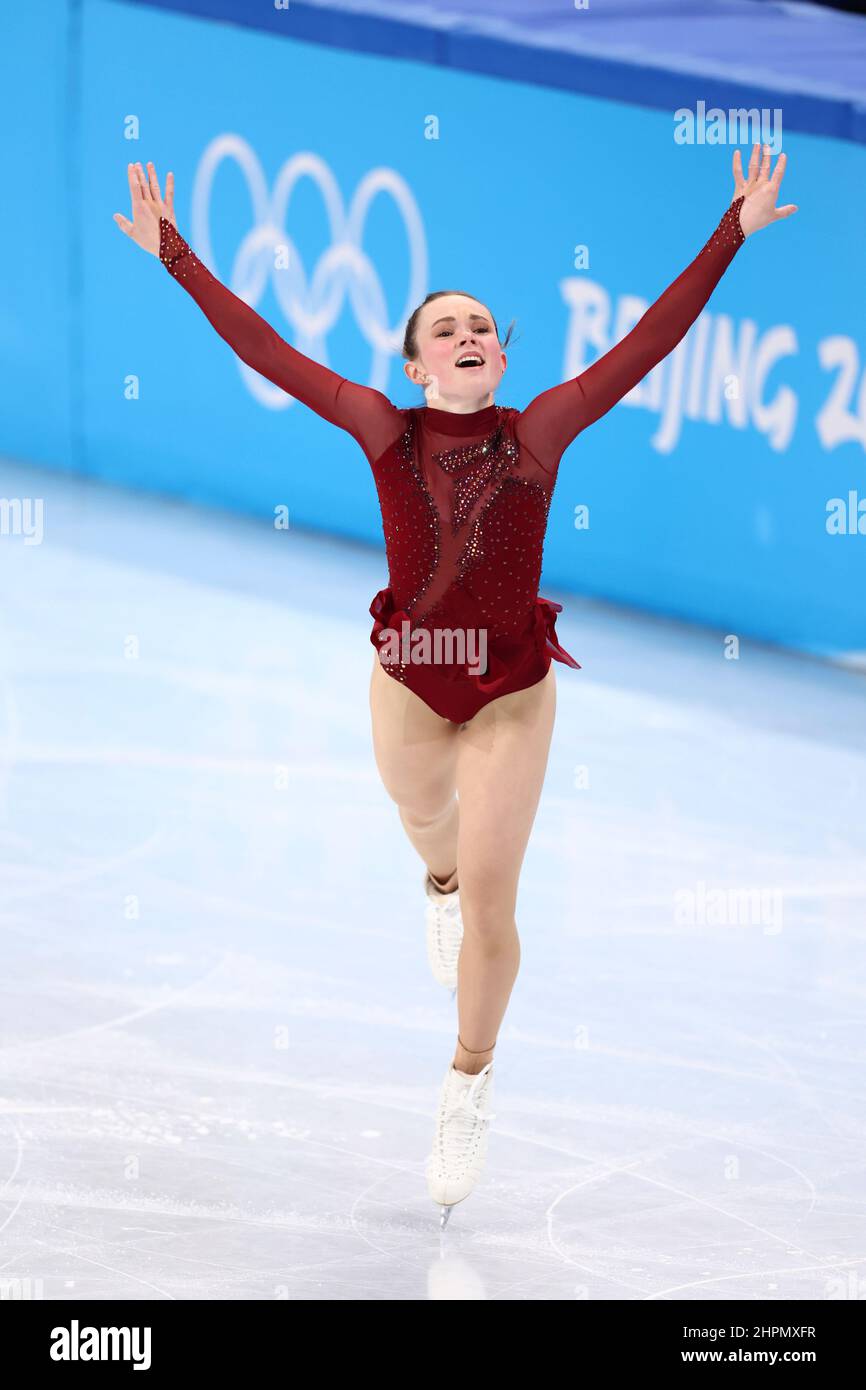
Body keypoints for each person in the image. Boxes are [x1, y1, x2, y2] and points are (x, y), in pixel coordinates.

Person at [114, 147, 796, 1226]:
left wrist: (730, 230)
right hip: (409, 689)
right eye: (447, 329)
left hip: (512, 694)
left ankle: (467, 1077)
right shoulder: (382, 432)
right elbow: (272, 352)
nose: (470, 335)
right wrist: (178, 258)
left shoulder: (540, 433)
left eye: (482, 324)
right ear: (417, 365)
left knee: (493, 898)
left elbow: (648, 344)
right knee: (422, 822)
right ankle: (430, 879)